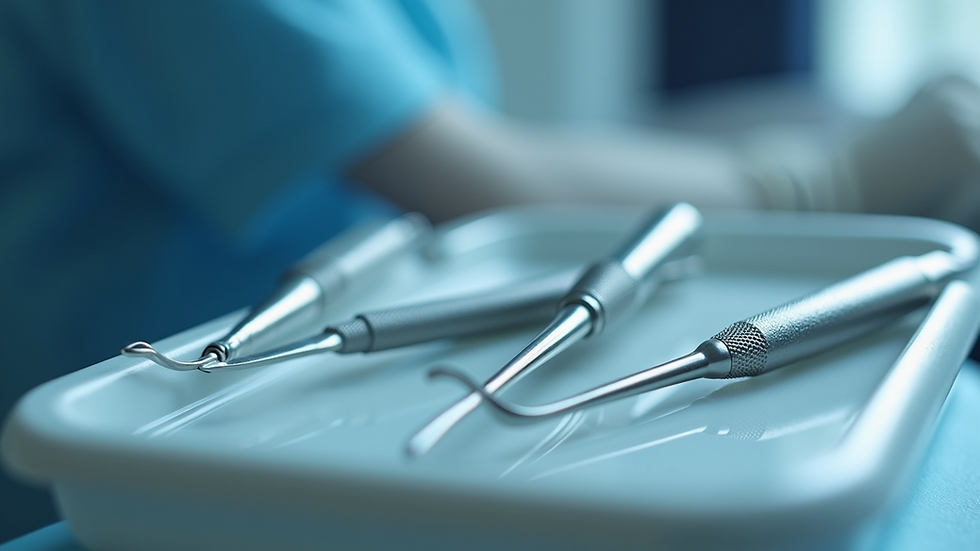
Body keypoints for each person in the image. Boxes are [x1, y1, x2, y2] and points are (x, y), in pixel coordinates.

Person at [1, 0, 979, 543]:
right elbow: (480, 183)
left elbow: (484, 170)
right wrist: (823, 182)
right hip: (188, 460)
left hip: (372, 373)